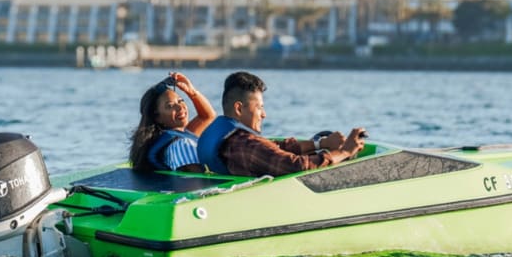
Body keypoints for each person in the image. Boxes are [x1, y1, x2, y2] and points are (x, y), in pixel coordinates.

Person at [197, 71, 366, 177]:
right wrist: (344, 151)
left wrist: (321, 144)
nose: (264, 114)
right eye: (259, 107)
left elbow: (272, 147)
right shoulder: (244, 144)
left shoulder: (225, 136)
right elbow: (298, 166)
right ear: (239, 108)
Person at [129, 72, 216, 173]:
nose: (180, 107)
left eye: (180, 100)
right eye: (170, 106)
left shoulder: (182, 134)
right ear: (157, 117)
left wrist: (192, 92)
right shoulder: (181, 145)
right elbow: (195, 181)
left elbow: (207, 116)